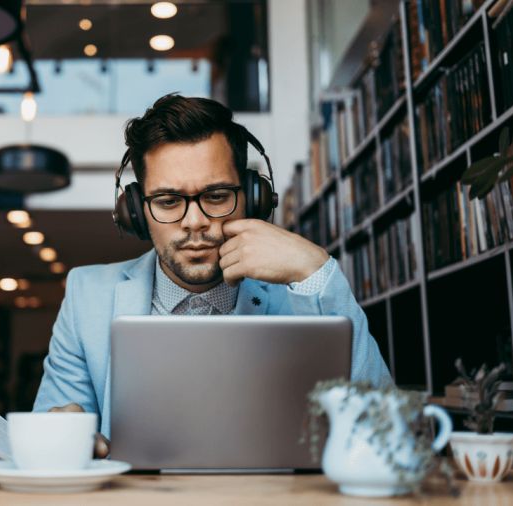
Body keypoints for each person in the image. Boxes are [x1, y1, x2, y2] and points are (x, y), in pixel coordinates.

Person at [33, 94, 391, 458]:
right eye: (168, 201)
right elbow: (52, 435)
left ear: (254, 198)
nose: (194, 222)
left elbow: (386, 431)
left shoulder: (305, 289)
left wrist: (317, 271)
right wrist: (61, 433)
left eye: (217, 196)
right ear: (136, 212)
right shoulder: (86, 296)